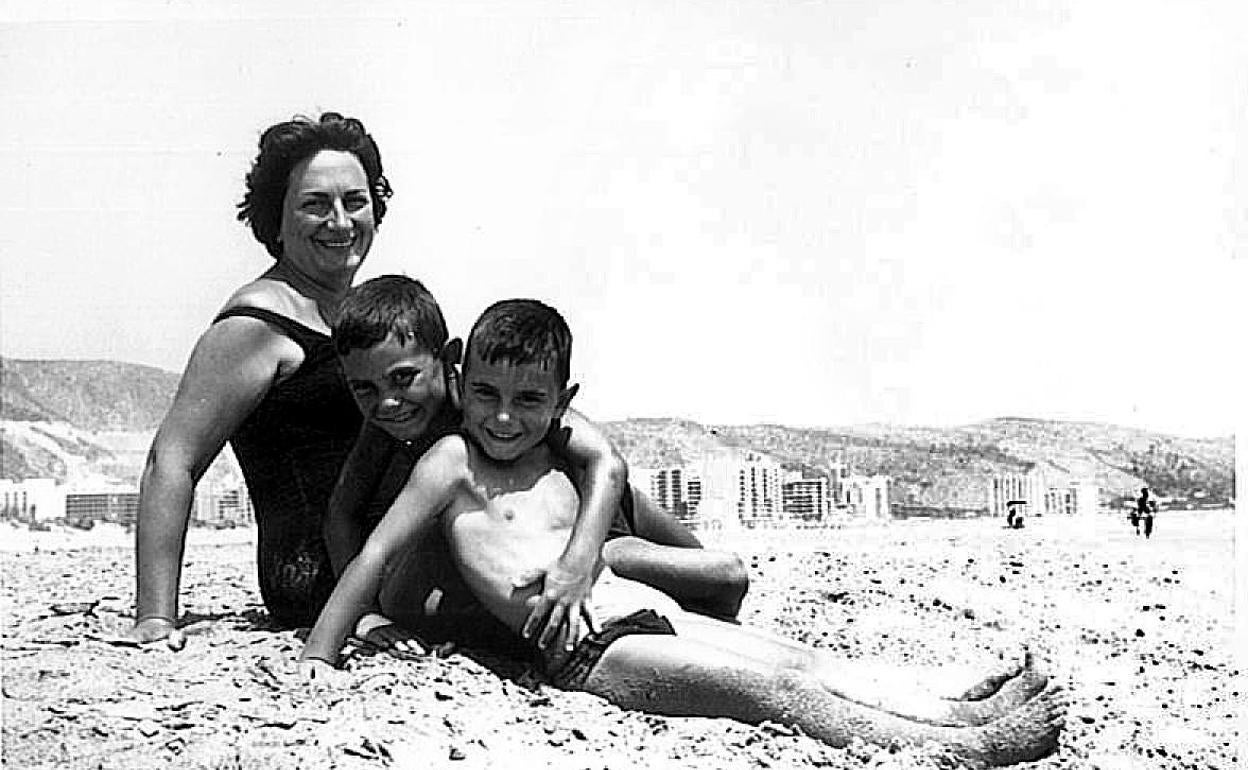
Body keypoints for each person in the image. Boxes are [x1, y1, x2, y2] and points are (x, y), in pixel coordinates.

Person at [301, 299, 1066, 766]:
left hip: (643, 607)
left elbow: (607, 473)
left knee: (805, 658)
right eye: (489, 397)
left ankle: (960, 703)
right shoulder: (449, 462)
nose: (504, 417)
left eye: (528, 400)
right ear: (462, 386)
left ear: (561, 400)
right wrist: (320, 651)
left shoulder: (557, 451)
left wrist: (578, 562)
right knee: (780, 693)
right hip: (592, 651)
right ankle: (968, 749)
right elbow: (376, 550)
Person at [125, 113, 647, 648]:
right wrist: (156, 617)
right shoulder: (254, 327)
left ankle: (684, 571)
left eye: (355, 201)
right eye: (314, 204)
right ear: (274, 220)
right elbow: (172, 461)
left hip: (397, 553)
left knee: (575, 468)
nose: (339, 221)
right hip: (326, 575)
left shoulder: (359, 317)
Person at [324, 276, 749, 652]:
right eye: (366, 389)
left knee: (719, 580)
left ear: (449, 361)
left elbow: (607, 463)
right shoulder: (386, 422)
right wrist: (366, 615)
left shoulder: (496, 396)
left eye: (403, 379)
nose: (388, 401)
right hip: (528, 539)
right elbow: (342, 513)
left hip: (600, 517)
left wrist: (580, 561)